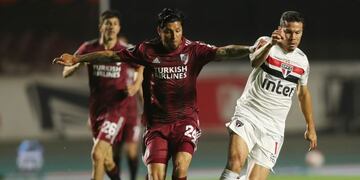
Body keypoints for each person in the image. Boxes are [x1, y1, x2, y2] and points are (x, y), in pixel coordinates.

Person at [54, 8, 255, 180]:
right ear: (159, 31)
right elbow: (111, 55)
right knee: (156, 176)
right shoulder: (146, 50)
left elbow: (225, 51)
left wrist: (251, 49)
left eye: (178, 30)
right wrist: (78, 58)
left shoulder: (194, 50)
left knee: (180, 167)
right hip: (156, 125)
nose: (174, 35)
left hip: (185, 121)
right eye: (168, 31)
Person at [219, 11, 317, 180]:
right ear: (280, 29)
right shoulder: (264, 42)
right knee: (235, 162)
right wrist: (271, 44)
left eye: (297, 32)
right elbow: (254, 61)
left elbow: (303, 94)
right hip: (249, 114)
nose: (293, 37)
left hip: (274, 127)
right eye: (288, 31)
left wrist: (310, 126)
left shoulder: (302, 61)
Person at [62, 10, 144, 180]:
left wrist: (136, 86)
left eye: (115, 24)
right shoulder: (89, 48)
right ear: (101, 27)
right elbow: (65, 71)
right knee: (107, 161)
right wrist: (77, 64)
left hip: (117, 109)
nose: (111, 27)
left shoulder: (124, 50)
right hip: (96, 109)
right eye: (108, 24)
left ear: (119, 27)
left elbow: (140, 66)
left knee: (98, 154)